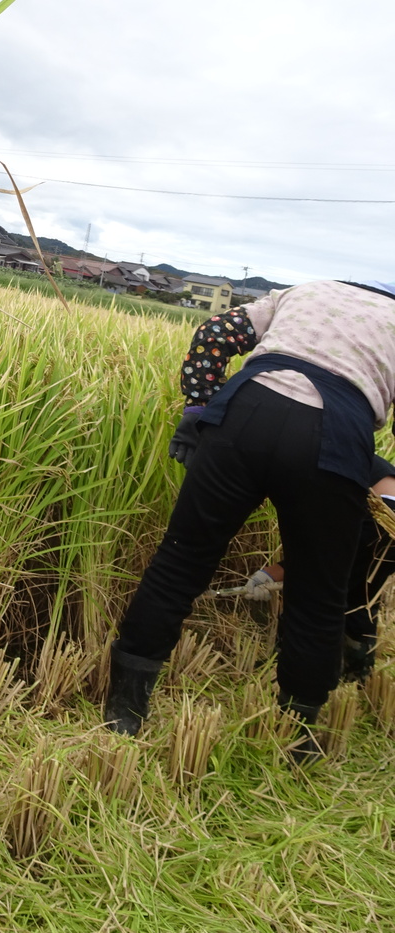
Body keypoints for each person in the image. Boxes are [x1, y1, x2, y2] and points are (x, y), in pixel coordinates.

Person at [104, 278, 395, 757]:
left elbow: (214, 335)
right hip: (334, 436)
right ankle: (296, 735)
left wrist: (199, 406)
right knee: (318, 592)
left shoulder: (306, 291)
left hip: (244, 414)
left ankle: (124, 711)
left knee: (180, 563)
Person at [243, 454, 395, 682]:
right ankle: (356, 675)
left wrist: (274, 572)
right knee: (359, 596)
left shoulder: (298, 462)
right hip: (386, 518)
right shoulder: (338, 449)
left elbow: (323, 550)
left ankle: (285, 669)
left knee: (311, 591)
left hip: (380, 515)